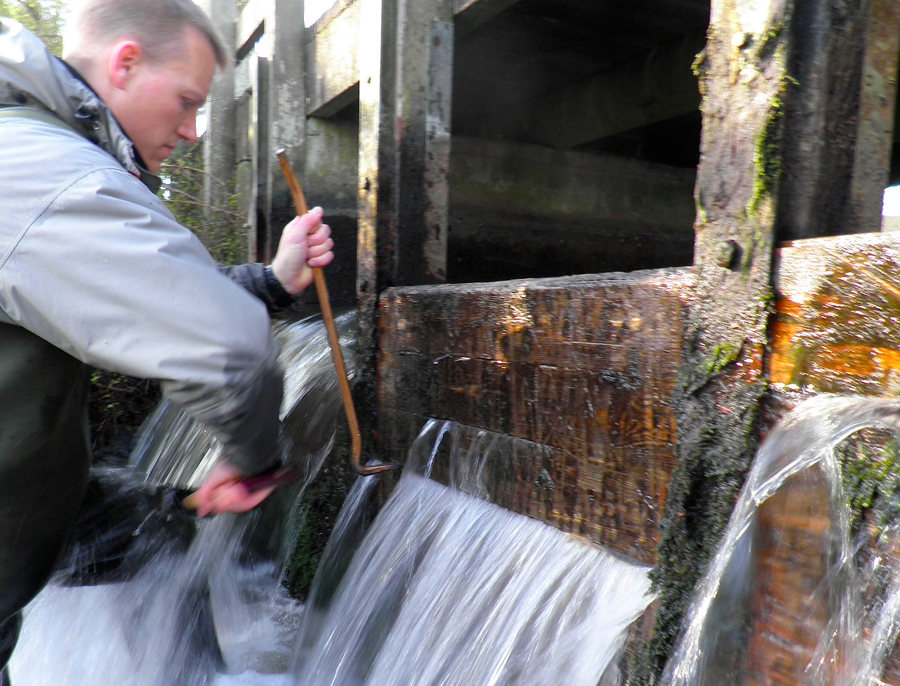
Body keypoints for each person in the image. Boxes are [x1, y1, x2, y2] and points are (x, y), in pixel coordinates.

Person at [0, 0, 333, 680]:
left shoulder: (30, 158)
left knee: (151, 525)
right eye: (186, 102)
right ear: (124, 63)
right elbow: (228, 351)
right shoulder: (48, 174)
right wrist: (250, 462)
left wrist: (272, 283)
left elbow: (135, 296)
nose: (191, 132)